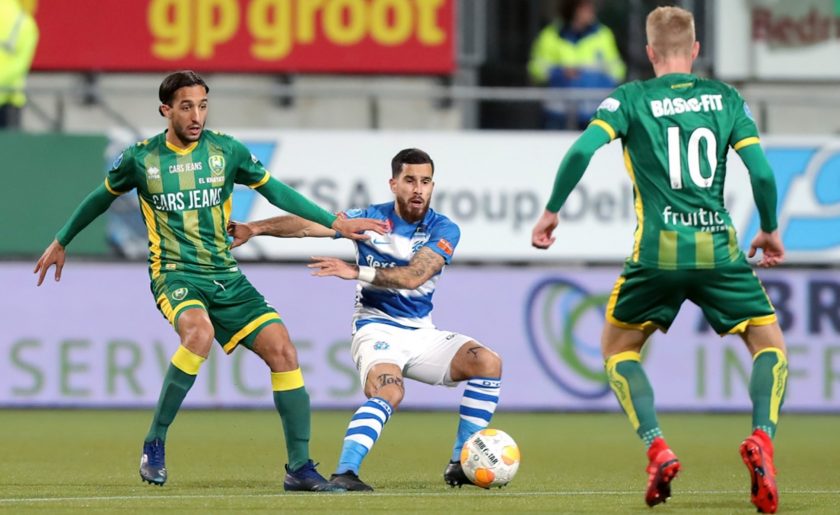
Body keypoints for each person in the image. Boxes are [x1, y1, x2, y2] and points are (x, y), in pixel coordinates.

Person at [34, 70, 387, 492]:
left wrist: (334, 223)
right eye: (186, 106)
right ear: (166, 110)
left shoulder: (226, 152)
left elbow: (277, 192)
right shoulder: (141, 159)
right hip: (175, 274)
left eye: (202, 105)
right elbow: (99, 198)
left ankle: (299, 468)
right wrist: (62, 239)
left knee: (283, 351)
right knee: (197, 334)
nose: (196, 114)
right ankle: (155, 440)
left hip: (225, 275)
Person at [531, 7, 787, 513]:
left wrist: (551, 211)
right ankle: (762, 439)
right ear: (694, 51)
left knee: (618, 349)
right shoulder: (727, 99)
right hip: (718, 249)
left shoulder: (629, 98)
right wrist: (771, 228)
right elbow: (761, 172)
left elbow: (582, 150)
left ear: (649, 53)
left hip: (656, 255)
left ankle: (657, 447)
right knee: (767, 344)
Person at [228, 148, 503, 491]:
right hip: (376, 329)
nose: (418, 189)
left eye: (426, 181)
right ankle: (346, 472)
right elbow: (307, 226)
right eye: (410, 180)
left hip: (422, 332)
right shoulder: (369, 219)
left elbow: (416, 276)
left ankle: (461, 461)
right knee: (391, 390)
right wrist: (255, 227)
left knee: (488, 362)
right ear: (394, 183)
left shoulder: (444, 228)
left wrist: (356, 270)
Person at [528, 0, 625, 130]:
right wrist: (560, 72)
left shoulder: (603, 34)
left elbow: (618, 70)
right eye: (585, 7)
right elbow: (535, 69)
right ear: (573, 9)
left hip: (594, 110)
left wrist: (590, 76)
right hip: (559, 111)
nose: (591, 11)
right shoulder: (550, 35)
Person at [0, 0, 39, 129]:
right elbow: (20, 65)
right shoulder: (26, 24)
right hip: (9, 99)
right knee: (9, 148)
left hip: (8, 99)